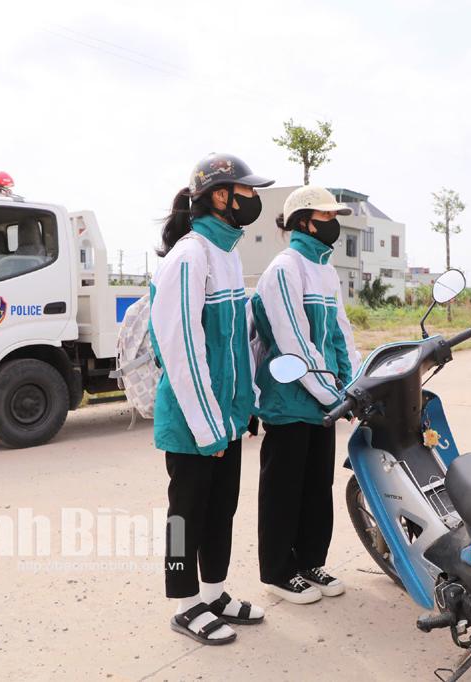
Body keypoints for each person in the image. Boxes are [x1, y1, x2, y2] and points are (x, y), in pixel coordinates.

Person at [149, 152, 273, 645]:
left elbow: (237, 342)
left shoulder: (227, 255)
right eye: (247, 191)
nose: (254, 199)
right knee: (186, 516)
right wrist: (206, 427)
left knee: (221, 510)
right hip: (193, 422)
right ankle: (185, 605)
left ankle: (214, 594)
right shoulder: (190, 256)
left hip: (226, 419)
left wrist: (245, 406)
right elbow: (181, 347)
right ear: (221, 196)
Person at [249, 185, 361, 604]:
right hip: (289, 401)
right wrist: (332, 394)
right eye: (326, 217)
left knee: (316, 487)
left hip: (323, 400)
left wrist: (352, 384)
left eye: (334, 217)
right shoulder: (285, 269)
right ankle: (279, 571)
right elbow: (294, 342)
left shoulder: (325, 270)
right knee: (284, 490)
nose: (333, 224)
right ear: (304, 222)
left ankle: (311, 562)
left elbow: (340, 335)